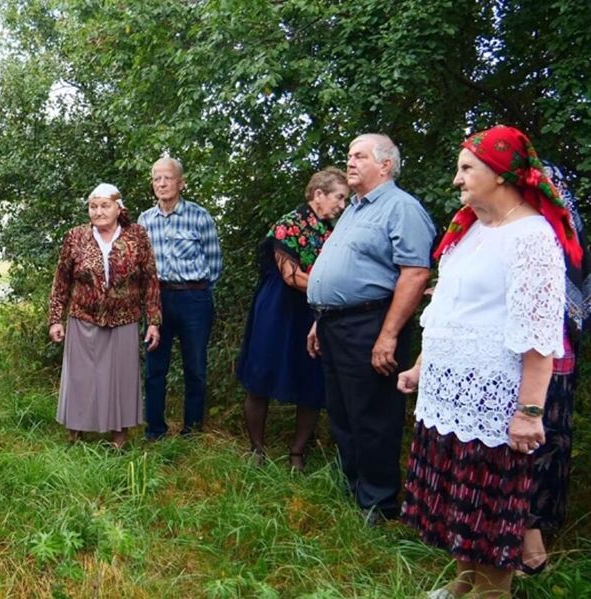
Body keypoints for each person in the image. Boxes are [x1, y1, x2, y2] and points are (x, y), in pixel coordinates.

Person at [397, 125, 578, 597]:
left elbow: (539, 338)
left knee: (490, 513)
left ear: (501, 174)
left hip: (494, 405)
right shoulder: (471, 228)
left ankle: (490, 592)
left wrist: (529, 412)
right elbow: (448, 310)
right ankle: (463, 584)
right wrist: (421, 365)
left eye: (466, 168)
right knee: (460, 504)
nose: (456, 180)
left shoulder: (532, 237)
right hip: (447, 395)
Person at [305, 133, 435, 523]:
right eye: (349, 155)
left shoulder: (401, 208)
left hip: (371, 323)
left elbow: (414, 273)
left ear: (386, 165)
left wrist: (389, 334)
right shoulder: (354, 209)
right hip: (334, 324)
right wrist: (319, 319)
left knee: (374, 413)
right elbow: (342, 267)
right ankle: (354, 487)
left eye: (359, 156)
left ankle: (379, 502)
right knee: (343, 410)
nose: (350, 163)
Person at [237, 167, 348, 470]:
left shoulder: (333, 232)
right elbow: (291, 276)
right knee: (260, 376)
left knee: (311, 380)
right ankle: (257, 450)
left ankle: (297, 454)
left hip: (313, 312)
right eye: (338, 197)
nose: (342, 205)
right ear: (318, 195)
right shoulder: (288, 224)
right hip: (278, 309)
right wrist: (336, 290)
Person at [48, 184, 162, 448]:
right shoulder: (75, 237)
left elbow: (150, 281)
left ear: (119, 208)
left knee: (120, 379)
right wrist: (56, 318)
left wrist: (154, 321)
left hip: (124, 319)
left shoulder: (137, 237)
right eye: (93, 206)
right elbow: (61, 281)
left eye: (104, 205)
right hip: (83, 317)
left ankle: (118, 439)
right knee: (81, 378)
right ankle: (76, 436)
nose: (98, 211)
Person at [520, 162, 590, 574]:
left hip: (552, 358)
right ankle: (525, 536)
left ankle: (537, 538)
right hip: (535, 358)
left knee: (546, 443)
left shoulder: (557, 232)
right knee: (533, 444)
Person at [138, 156, 222, 439]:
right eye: (156, 178)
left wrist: (196, 292)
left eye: (168, 177)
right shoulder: (144, 221)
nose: (161, 183)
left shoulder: (200, 217)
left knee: (195, 368)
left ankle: (193, 431)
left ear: (181, 182)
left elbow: (214, 265)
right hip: (157, 300)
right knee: (154, 369)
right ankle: (155, 431)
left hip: (194, 299)